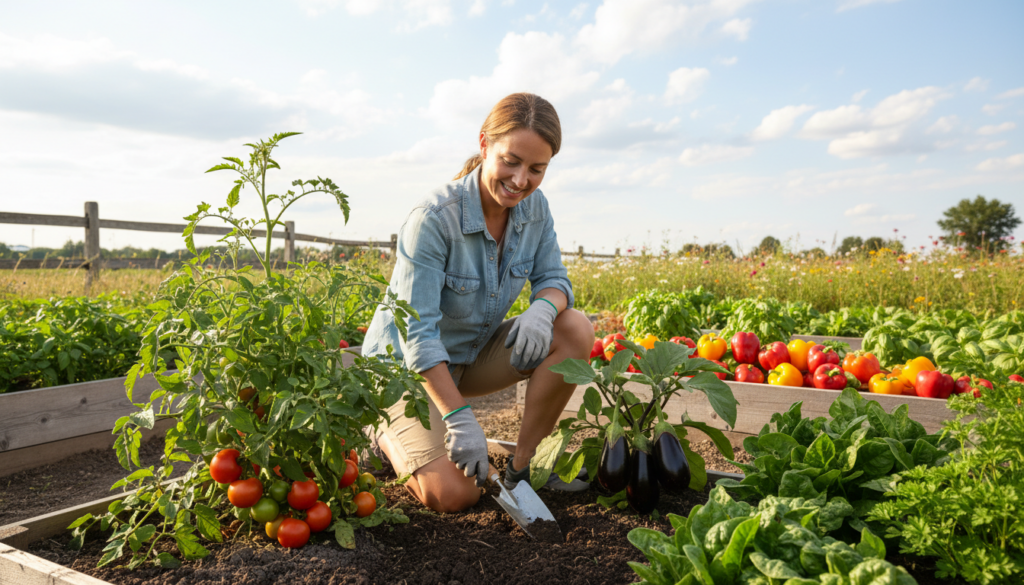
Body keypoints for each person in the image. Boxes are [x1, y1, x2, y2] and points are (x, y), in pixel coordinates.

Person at [362, 92, 595, 513]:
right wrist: (459, 419)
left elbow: (554, 280)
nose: (521, 180)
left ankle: (522, 469)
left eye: (537, 169)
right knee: (455, 495)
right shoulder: (434, 219)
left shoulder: (534, 209)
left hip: (467, 358)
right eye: (511, 160)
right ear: (485, 144)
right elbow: (418, 335)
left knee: (574, 327)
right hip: (403, 371)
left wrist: (544, 309)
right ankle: (380, 434)